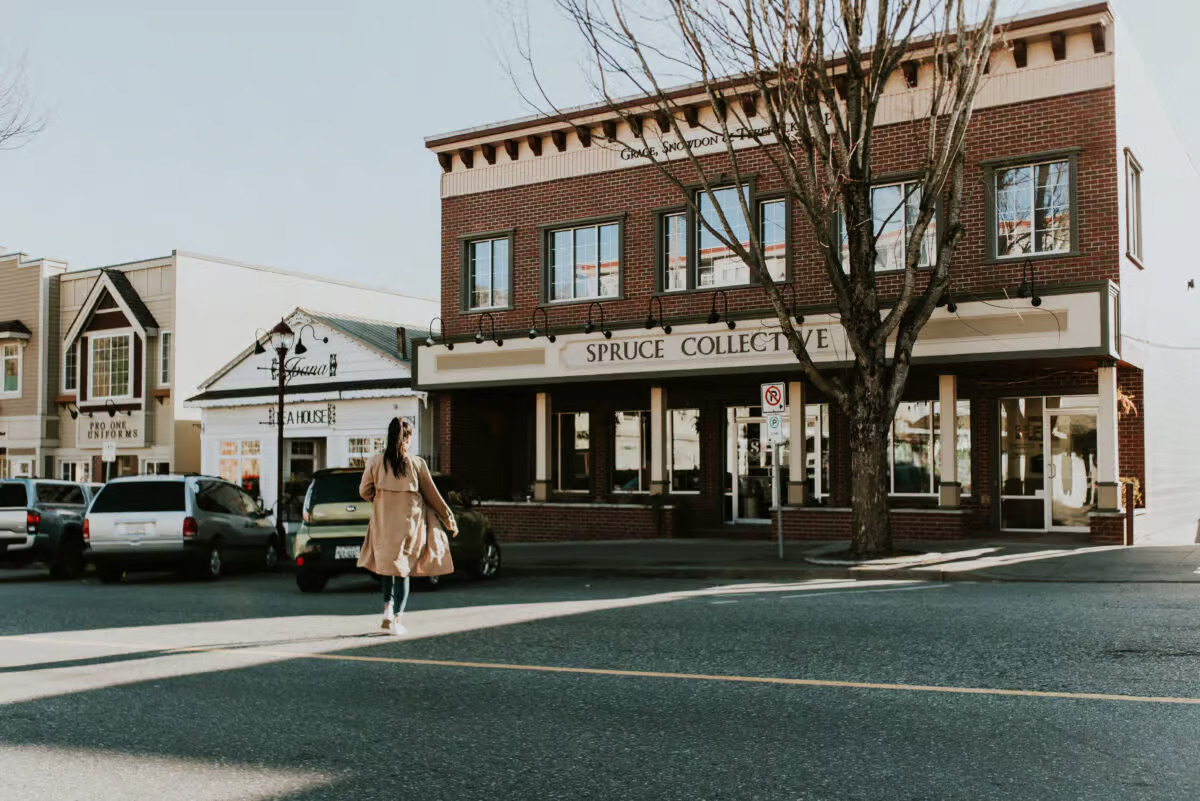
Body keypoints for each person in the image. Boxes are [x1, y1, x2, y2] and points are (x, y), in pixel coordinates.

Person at [357, 418, 457, 635]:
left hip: (383, 523)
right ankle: (397, 620)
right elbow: (433, 495)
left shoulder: (375, 461)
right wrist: (449, 520)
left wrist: (379, 499)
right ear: (407, 438)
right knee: (403, 571)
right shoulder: (416, 463)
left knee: (386, 568)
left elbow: (364, 491)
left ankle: (387, 609)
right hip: (409, 525)